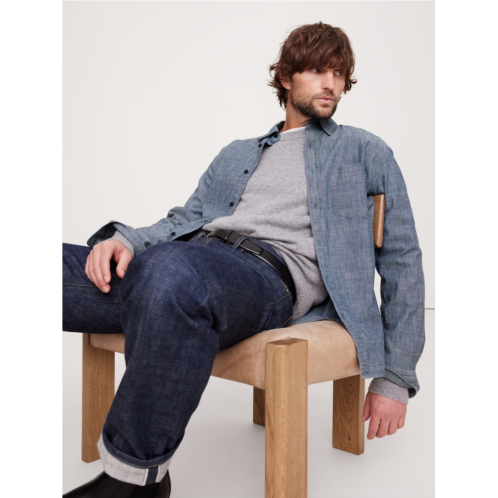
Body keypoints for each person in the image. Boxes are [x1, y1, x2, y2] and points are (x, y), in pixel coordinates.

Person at [62, 22, 425, 498]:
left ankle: (133, 481)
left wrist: (395, 377)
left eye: (339, 74)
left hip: (265, 278)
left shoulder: (364, 150)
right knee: (156, 270)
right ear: (286, 78)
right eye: (318, 71)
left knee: (171, 272)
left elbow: (402, 258)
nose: (331, 84)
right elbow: (184, 219)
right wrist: (127, 240)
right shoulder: (236, 154)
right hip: (188, 264)